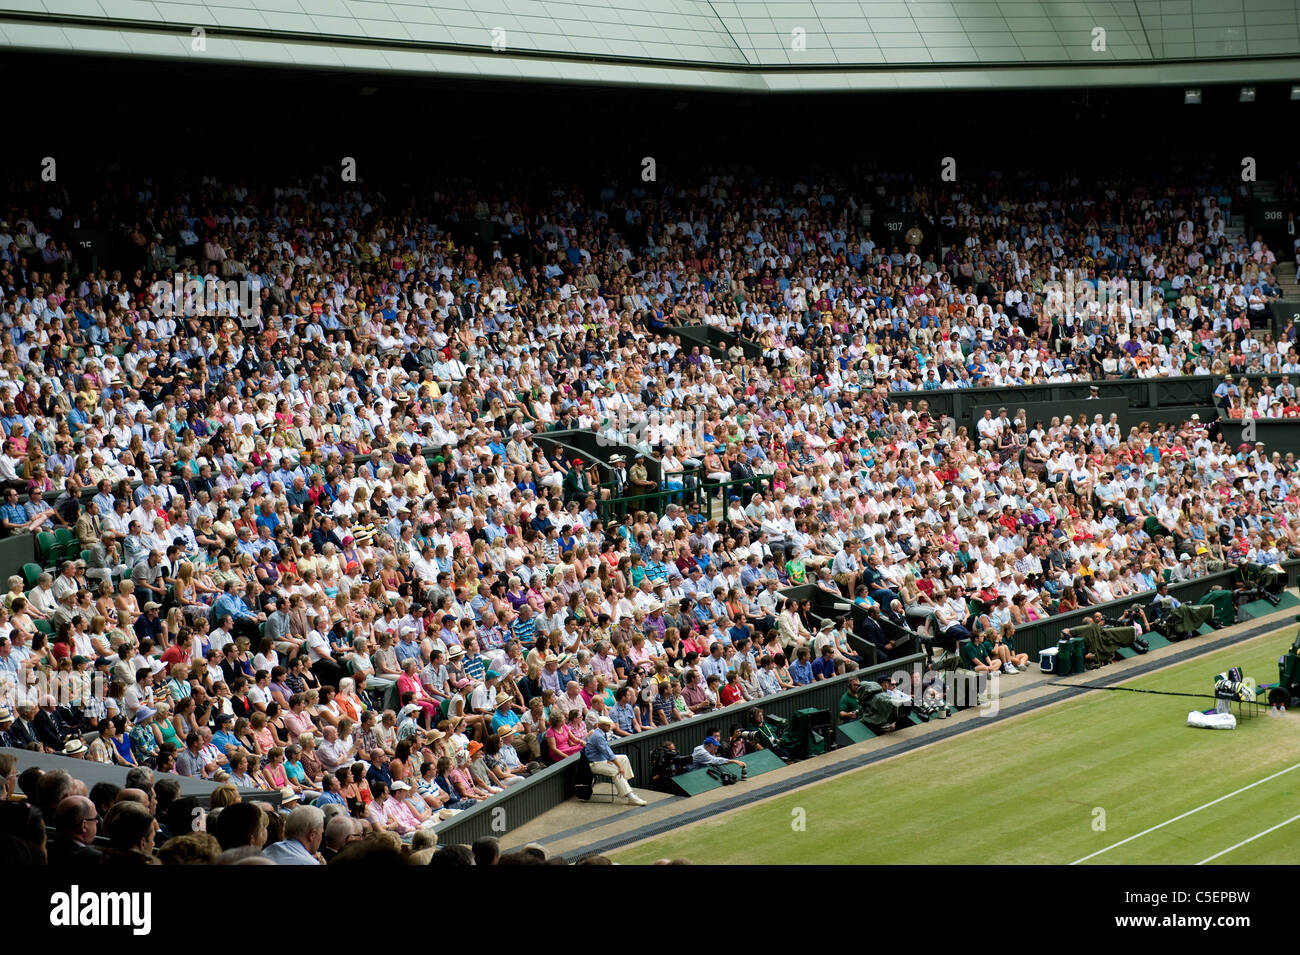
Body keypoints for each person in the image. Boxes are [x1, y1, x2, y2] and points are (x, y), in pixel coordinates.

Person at [580, 715, 646, 806]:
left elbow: (606, 752)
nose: (610, 727)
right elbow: (608, 753)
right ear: (602, 725)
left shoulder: (601, 733)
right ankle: (631, 797)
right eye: (608, 725)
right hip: (594, 764)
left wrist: (610, 760)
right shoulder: (598, 736)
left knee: (624, 758)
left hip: (601, 759)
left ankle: (623, 788)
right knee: (616, 771)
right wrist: (619, 767)